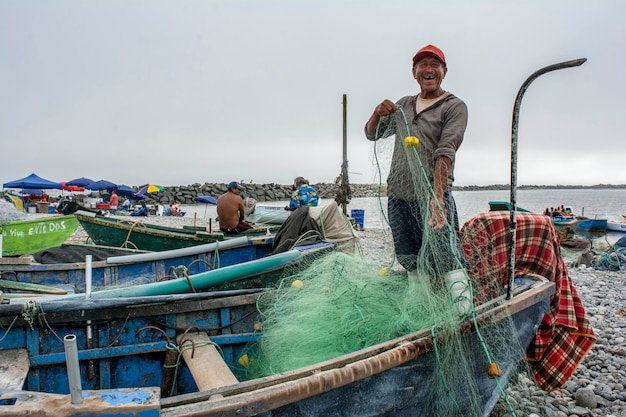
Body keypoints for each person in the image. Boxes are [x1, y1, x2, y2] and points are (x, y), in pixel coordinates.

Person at [364, 44, 469, 313]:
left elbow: (446, 151)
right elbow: (372, 134)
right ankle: (420, 313)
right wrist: (377, 112)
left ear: (444, 71)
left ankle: (462, 313)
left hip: (434, 198)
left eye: (435, 65)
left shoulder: (454, 107)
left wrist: (436, 197)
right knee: (410, 260)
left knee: (448, 259)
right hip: (399, 197)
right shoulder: (404, 105)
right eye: (422, 65)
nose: (429, 69)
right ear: (414, 72)